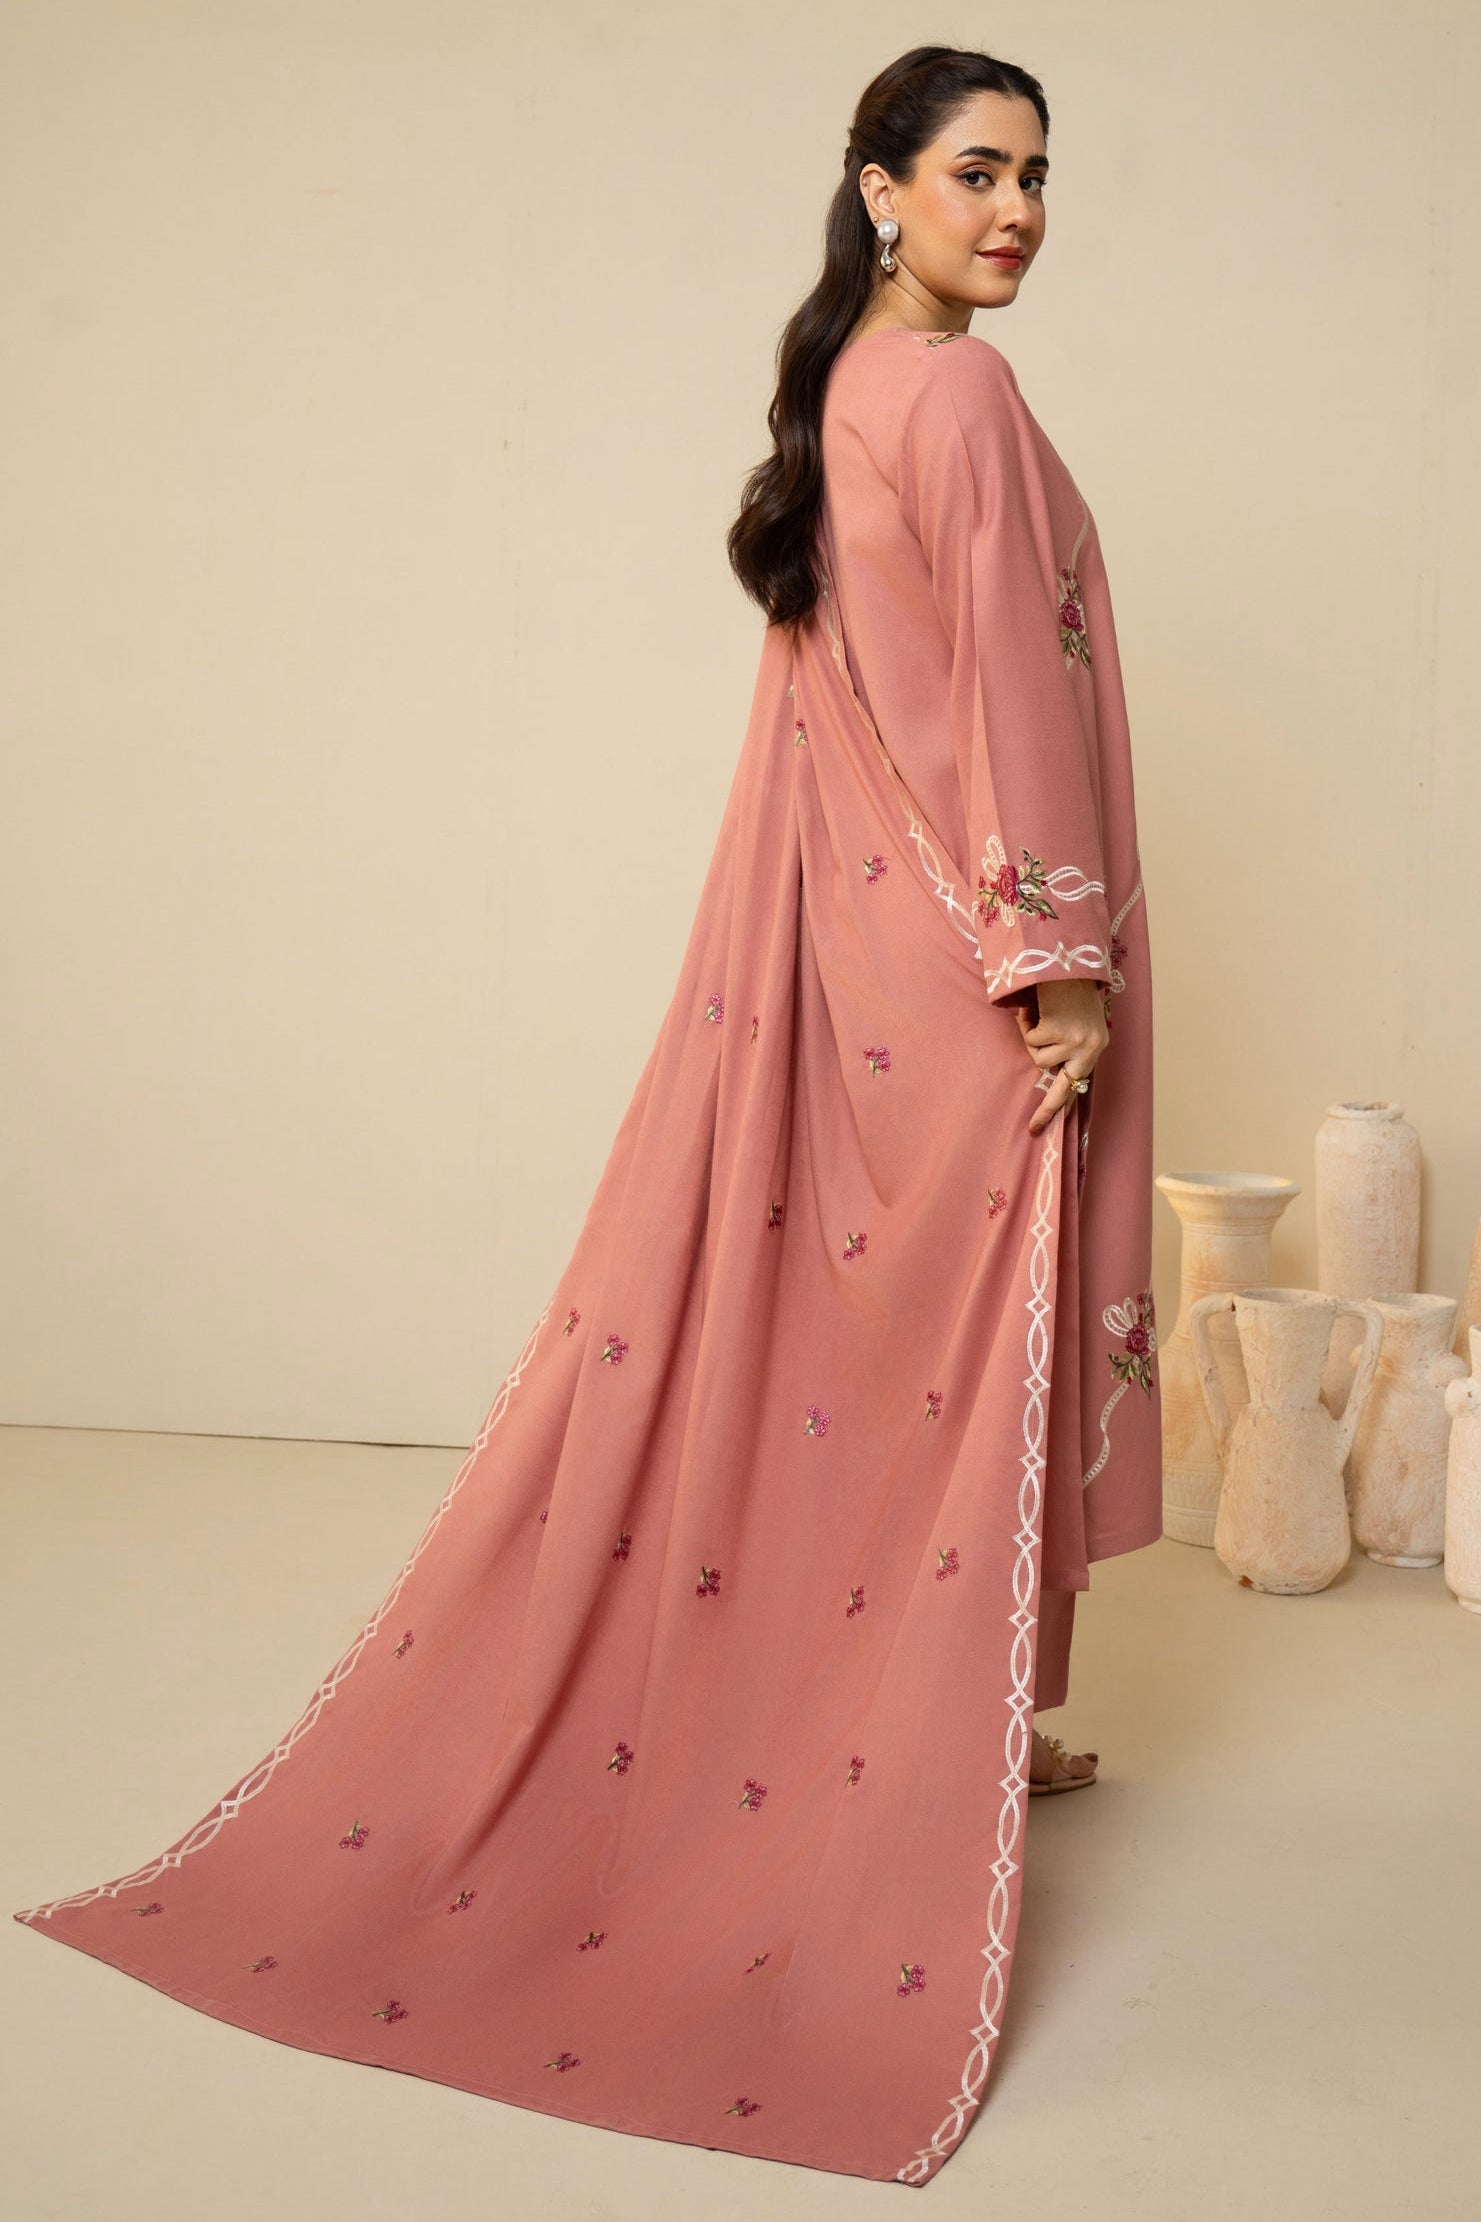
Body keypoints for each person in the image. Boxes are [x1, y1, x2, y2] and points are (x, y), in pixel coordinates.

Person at [14, 43, 1160, 2190]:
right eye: (975, 171)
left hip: (868, 936)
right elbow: (1005, 676)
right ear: (880, 187)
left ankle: (961, 1719)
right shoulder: (959, 394)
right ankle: (914, 1755)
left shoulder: (849, 385)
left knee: (864, 1364)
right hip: (976, 945)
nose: (1015, 210)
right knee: (941, 1361)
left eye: (1038, 176)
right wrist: (1057, 948)